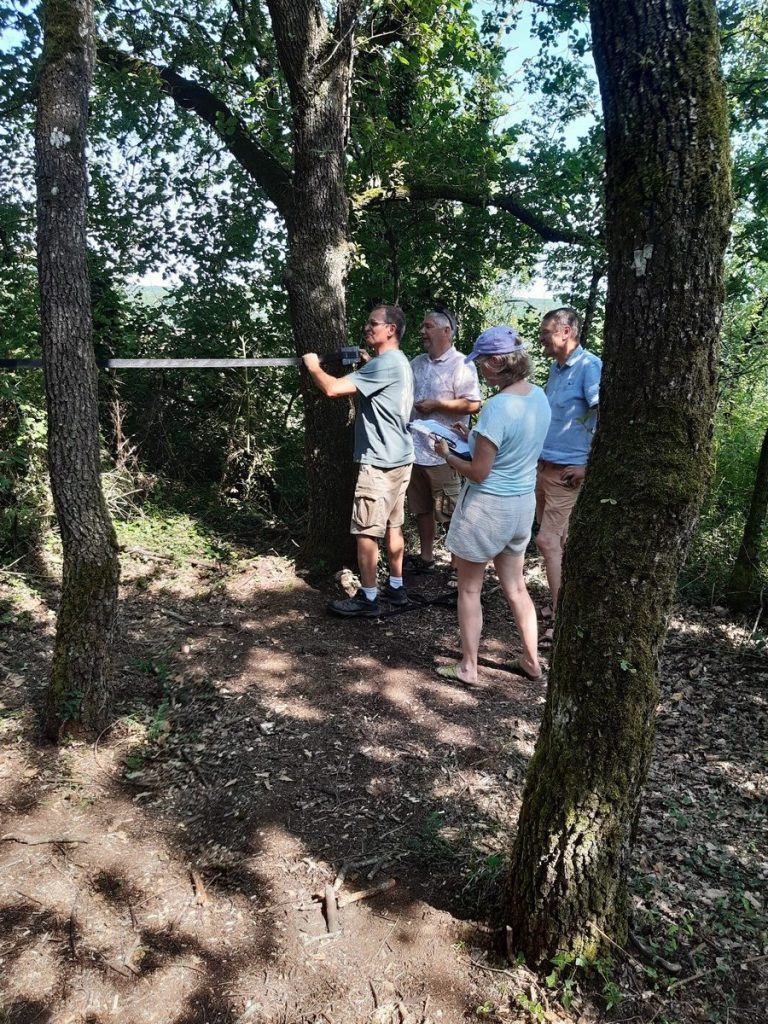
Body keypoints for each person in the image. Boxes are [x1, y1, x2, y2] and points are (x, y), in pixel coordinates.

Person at [432, 325, 551, 685]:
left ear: (498, 362)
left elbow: (480, 471)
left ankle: (468, 667)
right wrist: (470, 438)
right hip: (520, 506)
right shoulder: (538, 397)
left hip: (488, 508)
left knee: (470, 588)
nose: (479, 368)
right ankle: (532, 661)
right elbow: (511, 449)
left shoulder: (497, 407)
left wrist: (446, 454)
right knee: (516, 587)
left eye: (482, 361)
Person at [302, 304, 414, 618]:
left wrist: (312, 365)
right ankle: (396, 586)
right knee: (394, 525)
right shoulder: (396, 362)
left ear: (391, 329)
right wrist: (366, 364)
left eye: (373, 323)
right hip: (401, 457)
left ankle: (368, 598)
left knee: (366, 530)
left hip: (380, 461)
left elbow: (332, 388)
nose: (367, 327)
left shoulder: (385, 364)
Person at [535, 308, 602, 631]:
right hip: (544, 467)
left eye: (546, 331)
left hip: (568, 473)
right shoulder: (556, 369)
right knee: (557, 540)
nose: (541, 337)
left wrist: (588, 466)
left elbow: (605, 416)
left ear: (565, 332)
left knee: (547, 541)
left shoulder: (590, 367)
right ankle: (561, 603)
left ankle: (562, 620)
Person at [406, 308, 481, 571]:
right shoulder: (416, 363)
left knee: (450, 511)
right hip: (415, 450)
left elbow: (473, 404)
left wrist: (438, 404)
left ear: (446, 331)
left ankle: (457, 566)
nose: (422, 331)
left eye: (428, 327)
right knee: (422, 509)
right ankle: (426, 558)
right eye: (422, 326)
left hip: (444, 451)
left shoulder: (462, 364)